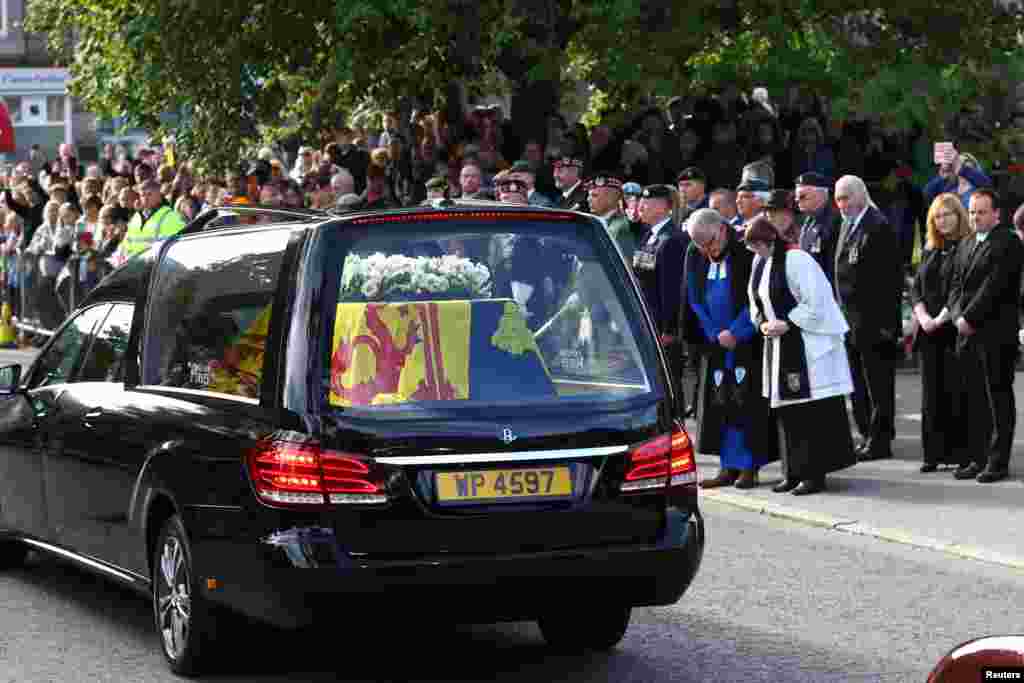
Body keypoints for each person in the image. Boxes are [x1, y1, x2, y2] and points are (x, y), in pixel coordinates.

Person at [745, 216, 856, 495]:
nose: (755, 253)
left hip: (804, 345)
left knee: (808, 412)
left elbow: (817, 301)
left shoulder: (797, 260)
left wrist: (788, 322)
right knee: (787, 412)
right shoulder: (760, 262)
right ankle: (792, 471)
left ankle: (813, 474)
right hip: (778, 347)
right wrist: (761, 323)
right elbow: (754, 302)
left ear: (769, 240)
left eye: (758, 246)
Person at [681, 209, 777, 489]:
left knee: (746, 404)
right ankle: (727, 466)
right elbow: (695, 298)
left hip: (745, 341)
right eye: (700, 245)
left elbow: (757, 298)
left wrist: (736, 332)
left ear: (722, 230)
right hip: (716, 344)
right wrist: (713, 333)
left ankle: (749, 466)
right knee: (719, 405)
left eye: (710, 242)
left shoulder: (746, 254)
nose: (706, 250)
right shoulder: (696, 256)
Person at [944, 188, 1024, 483]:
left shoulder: (1008, 243)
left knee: (997, 399)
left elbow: (996, 286)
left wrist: (969, 317)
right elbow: (955, 285)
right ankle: (976, 458)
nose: (976, 217)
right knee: (973, 400)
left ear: (996, 214)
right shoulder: (966, 243)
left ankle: (997, 461)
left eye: (982, 212)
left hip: (994, 335)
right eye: (973, 211)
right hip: (966, 334)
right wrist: (956, 316)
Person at [833, 175, 902, 462]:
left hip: (875, 324)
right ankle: (868, 436)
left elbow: (889, 281)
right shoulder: (849, 225)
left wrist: (888, 325)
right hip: (851, 322)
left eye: (846, 197)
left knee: (878, 387)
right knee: (860, 385)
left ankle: (880, 440)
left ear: (861, 195)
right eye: (838, 198)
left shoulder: (878, 226)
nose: (841, 204)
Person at [911, 193, 971, 473]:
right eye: (937, 216)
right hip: (928, 332)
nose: (942, 220)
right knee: (930, 396)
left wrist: (940, 318)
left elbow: (960, 289)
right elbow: (916, 288)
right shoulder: (930, 247)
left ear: (959, 216)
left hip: (952, 330)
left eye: (947, 214)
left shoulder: (966, 246)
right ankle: (932, 454)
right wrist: (923, 316)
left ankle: (960, 453)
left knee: (956, 393)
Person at [633, 184, 689, 410]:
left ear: (666, 208)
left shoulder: (672, 239)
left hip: (661, 324)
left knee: (668, 380)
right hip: (647, 319)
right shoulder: (649, 235)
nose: (641, 207)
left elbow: (671, 289)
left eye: (648, 203)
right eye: (641, 202)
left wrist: (669, 328)